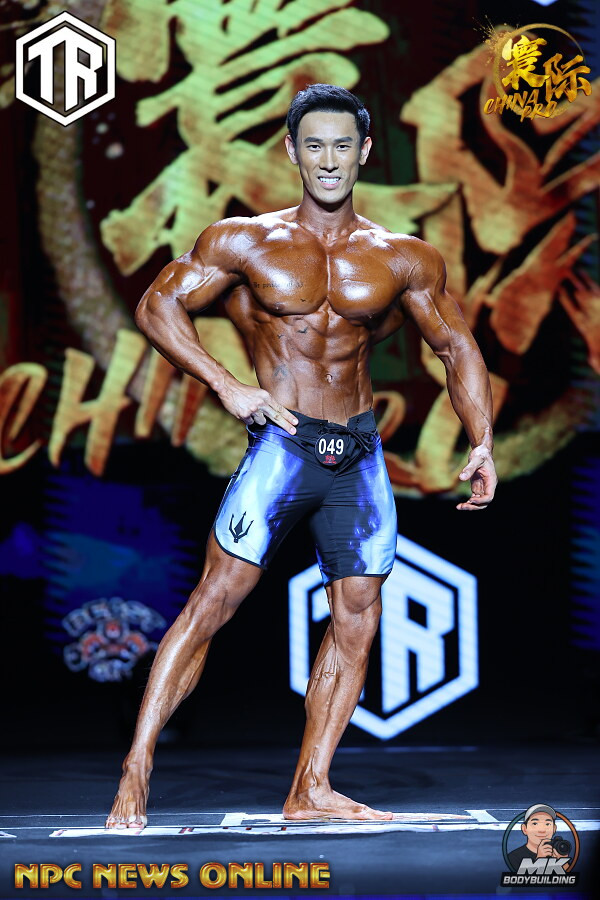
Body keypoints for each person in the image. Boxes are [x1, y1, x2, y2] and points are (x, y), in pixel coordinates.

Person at [105, 83, 497, 829]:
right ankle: (138, 765)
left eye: (342, 145)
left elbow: (456, 346)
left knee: (358, 616)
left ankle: (310, 787)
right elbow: (158, 305)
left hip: (358, 454)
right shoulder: (244, 240)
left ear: (365, 151)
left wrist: (480, 440)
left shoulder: (403, 256)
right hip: (283, 447)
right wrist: (227, 384)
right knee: (214, 601)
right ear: (291, 151)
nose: (329, 159)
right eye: (314, 144)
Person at [507, 804, 570, 871]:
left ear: (554, 829)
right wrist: (539, 860)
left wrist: (563, 862)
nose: (542, 830)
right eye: (535, 823)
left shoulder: (558, 851)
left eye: (547, 824)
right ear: (524, 829)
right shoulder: (514, 857)